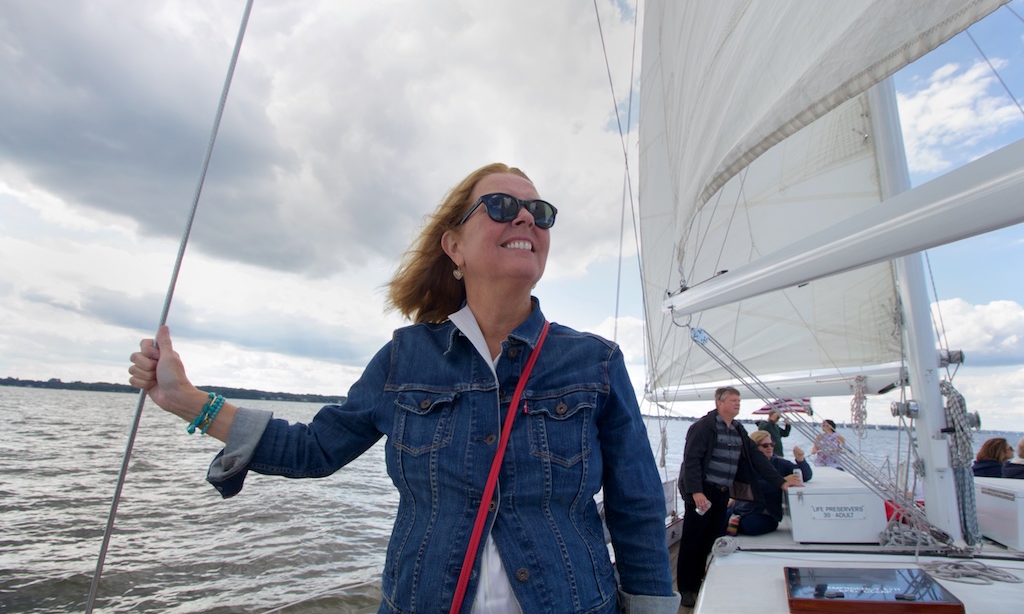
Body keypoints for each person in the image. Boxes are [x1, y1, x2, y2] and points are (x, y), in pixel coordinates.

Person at [128, 163, 680, 614]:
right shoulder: (404, 358)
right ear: (455, 246)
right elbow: (314, 449)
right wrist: (189, 402)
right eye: (501, 206)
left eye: (540, 212)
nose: (526, 219)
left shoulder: (595, 362)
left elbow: (635, 505)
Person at [675, 387, 802, 607]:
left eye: (739, 400)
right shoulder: (703, 428)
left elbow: (757, 457)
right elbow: (692, 461)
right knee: (693, 539)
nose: (737, 403)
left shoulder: (737, 429)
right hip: (703, 491)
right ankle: (687, 588)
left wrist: (781, 483)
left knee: (711, 537)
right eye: (733, 400)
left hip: (723, 492)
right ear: (719, 402)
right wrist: (696, 493)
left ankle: (701, 580)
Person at [724, 430, 813, 536]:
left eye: (772, 444)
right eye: (765, 445)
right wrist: (781, 481)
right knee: (716, 520)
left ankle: (734, 524)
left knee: (750, 526)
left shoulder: (780, 464)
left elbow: (805, 476)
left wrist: (801, 460)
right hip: (742, 508)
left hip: (766, 513)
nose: (770, 447)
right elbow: (752, 486)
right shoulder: (745, 465)